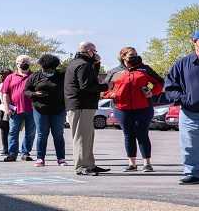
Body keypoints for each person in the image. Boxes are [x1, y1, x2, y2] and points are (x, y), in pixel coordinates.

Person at [104, 47, 163, 172]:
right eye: (131, 55)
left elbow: (159, 83)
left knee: (142, 134)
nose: (134, 56)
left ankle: (147, 163)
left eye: (136, 54)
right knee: (128, 135)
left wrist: (152, 92)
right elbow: (104, 89)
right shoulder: (114, 72)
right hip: (122, 109)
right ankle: (132, 164)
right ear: (123, 56)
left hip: (143, 108)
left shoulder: (145, 69)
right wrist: (111, 94)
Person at [64, 42, 110, 175]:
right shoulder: (83, 65)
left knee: (88, 136)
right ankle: (81, 166)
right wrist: (106, 87)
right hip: (81, 105)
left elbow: (90, 79)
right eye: (94, 51)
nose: (96, 53)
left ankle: (89, 164)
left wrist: (96, 64)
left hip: (82, 105)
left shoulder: (78, 63)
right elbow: (86, 86)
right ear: (89, 51)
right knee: (82, 137)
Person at [165, 30, 199, 185]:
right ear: (194, 41)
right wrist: (184, 99)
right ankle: (192, 173)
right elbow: (170, 87)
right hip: (190, 112)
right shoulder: (182, 64)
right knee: (190, 145)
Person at [25, 54, 67, 167]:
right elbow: (26, 91)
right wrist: (34, 94)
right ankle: (40, 158)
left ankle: (61, 158)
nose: (46, 71)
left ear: (54, 67)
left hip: (58, 110)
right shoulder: (34, 76)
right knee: (41, 134)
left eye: (49, 69)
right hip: (40, 110)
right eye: (44, 68)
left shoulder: (61, 75)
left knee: (58, 134)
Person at [1, 55, 36, 162]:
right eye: (21, 61)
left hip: (32, 110)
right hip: (15, 110)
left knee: (30, 132)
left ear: (29, 63)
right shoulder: (10, 77)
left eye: (25, 61)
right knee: (13, 132)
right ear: (16, 64)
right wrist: (7, 109)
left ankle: (25, 153)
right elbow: (5, 94)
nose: (23, 63)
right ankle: (12, 154)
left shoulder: (34, 76)